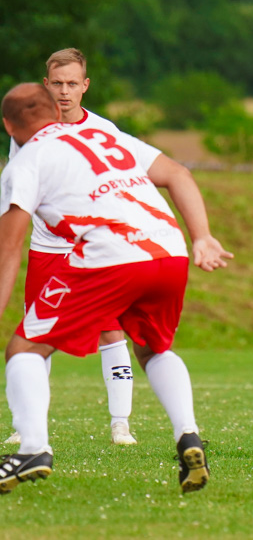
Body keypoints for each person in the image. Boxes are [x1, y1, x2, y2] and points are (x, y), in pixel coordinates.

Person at [0, 82, 232, 494]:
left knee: (24, 349)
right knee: (153, 348)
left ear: (7, 126)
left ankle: (33, 448)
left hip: (110, 252)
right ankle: (189, 436)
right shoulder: (104, 135)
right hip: (169, 248)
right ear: (56, 110)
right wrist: (202, 236)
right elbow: (177, 173)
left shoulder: (25, 161)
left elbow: (9, 248)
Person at [6, 48, 159, 446]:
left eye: (72, 83)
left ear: (85, 85)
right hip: (46, 250)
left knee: (111, 333)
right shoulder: (29, 132)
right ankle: (26, 427)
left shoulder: (105, 130)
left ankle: (120, 423)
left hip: (96, 249)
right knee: (35, 334)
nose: (64, 91)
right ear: (46, 85)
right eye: (57, 83)